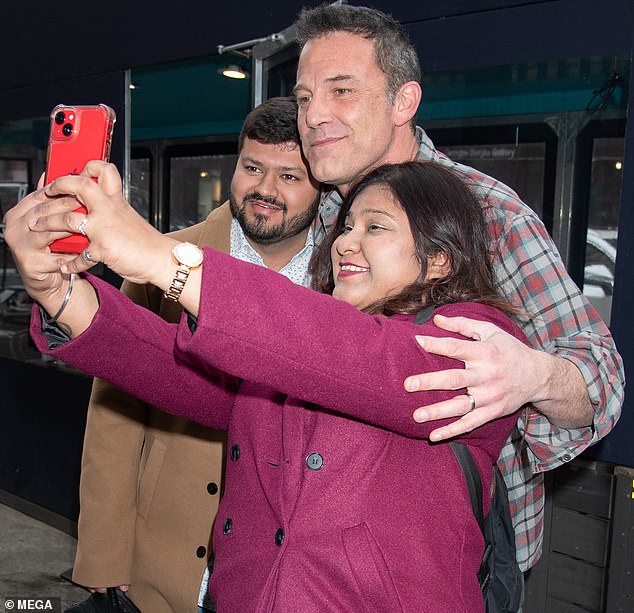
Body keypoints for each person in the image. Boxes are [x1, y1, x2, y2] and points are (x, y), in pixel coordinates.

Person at [9, 158, 528, 611]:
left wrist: (159, 259)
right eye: (347, 226)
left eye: (376, 227)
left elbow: (360, 356)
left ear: (438, 258)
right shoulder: (305, 345)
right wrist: (60, 295)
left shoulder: (477, 342)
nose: (346, 240)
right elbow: (182, 370)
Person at [290, 3, 624, 571]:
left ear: (404, 102)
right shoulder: (325, 214)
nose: (314, 115)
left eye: (341, 91)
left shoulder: (489, 217)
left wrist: (530, 375)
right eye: (303, 97)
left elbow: (603, 379)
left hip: (460, 562)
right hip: (340, 546)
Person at [64, 97, 320, 613]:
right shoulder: (160, 265)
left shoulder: (343, 283)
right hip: (165, 565)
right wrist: (104, 556)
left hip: (281, 578)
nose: (265, 190)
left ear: (324, 187)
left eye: (289, 176)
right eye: (252, 167)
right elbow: (114, 419)